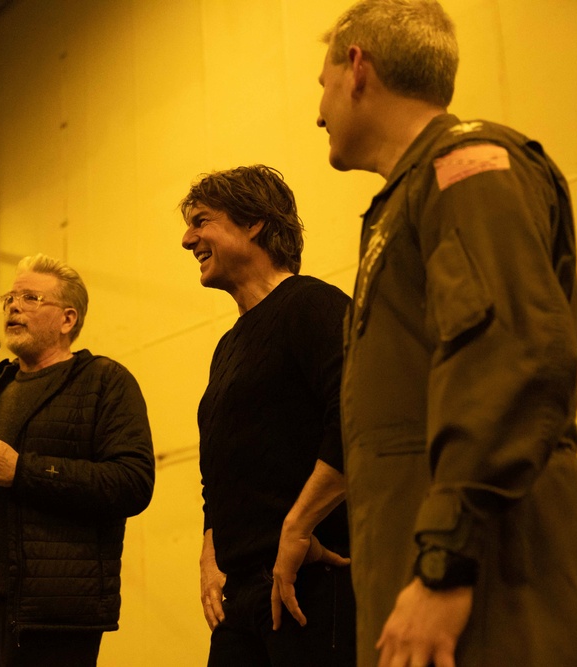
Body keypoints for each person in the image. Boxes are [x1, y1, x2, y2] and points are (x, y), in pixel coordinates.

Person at [273, 1, 577, 665]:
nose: (318, 111)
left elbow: (508, 360)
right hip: (422, 566)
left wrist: (446, 564)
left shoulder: (468, 169)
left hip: (483, 577)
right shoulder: (410, 199)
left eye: (322, 84)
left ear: (357, 68)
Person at [0, 253, 156, 667]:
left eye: (30, 297)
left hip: (48, 612)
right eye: (9, 297)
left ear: (67, 319)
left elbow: (132, 482)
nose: (13, 306)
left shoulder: (103, 382)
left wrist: (23, 470)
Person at [180, 165, 355, 666]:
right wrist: (212, 552)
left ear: (253, 223)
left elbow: (354, 420)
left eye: (201, 221)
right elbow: (223, 465)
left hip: (311, 578)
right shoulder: (228, 346)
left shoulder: (312, 305)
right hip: (245, 591)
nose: (187, 239)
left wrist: (298, 528)